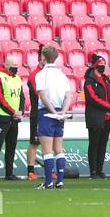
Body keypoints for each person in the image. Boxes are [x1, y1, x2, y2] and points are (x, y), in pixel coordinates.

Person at [33, 44, 74, 189]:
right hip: (59, 112)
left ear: (43, 57)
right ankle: (60, 180)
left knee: (47, 149)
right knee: (59, 148)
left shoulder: (41, 74)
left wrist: (54, 112)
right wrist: (62, 112)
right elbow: (68, 96)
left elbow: (43, 96)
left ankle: (49, 181)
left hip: (46, 112)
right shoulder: (62, 75)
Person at [83, 53, 110, 179]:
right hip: (96, 117)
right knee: (94, 144)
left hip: (107, 118)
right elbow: (92, 98)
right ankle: (93, 170)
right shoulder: (90, 81)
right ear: (95, 65)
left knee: (103, 144)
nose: (103, 67)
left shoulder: (106, 79)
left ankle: (100, 169)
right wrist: (109, 108)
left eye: (104, 65)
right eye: (101, 65)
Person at [0, 53, 25, 180]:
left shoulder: (17, 78)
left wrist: (20, 110)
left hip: (14, 118)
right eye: (13, 66)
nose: (15, 68)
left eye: (17, 66)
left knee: (11, 146)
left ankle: (9, 173)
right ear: (6, 65)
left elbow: (21, 96)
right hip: (1, 117)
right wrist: (13, 111)